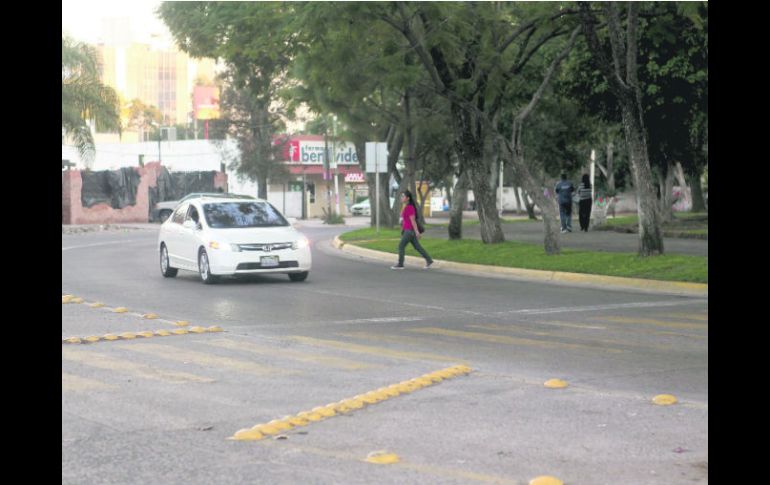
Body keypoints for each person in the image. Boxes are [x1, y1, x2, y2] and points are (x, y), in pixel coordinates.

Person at [391, 190, 434, 270]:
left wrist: (417, 232)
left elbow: (413, 220)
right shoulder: (407, 207)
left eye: (403, 196)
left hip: (409, 231)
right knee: (418, 247)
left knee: (401, 246)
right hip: (408, 231)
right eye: (401, 196)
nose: (401, 198)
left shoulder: (410, 207)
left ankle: (400, 264)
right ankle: (429, 260)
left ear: (407, 198)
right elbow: (406, 220)